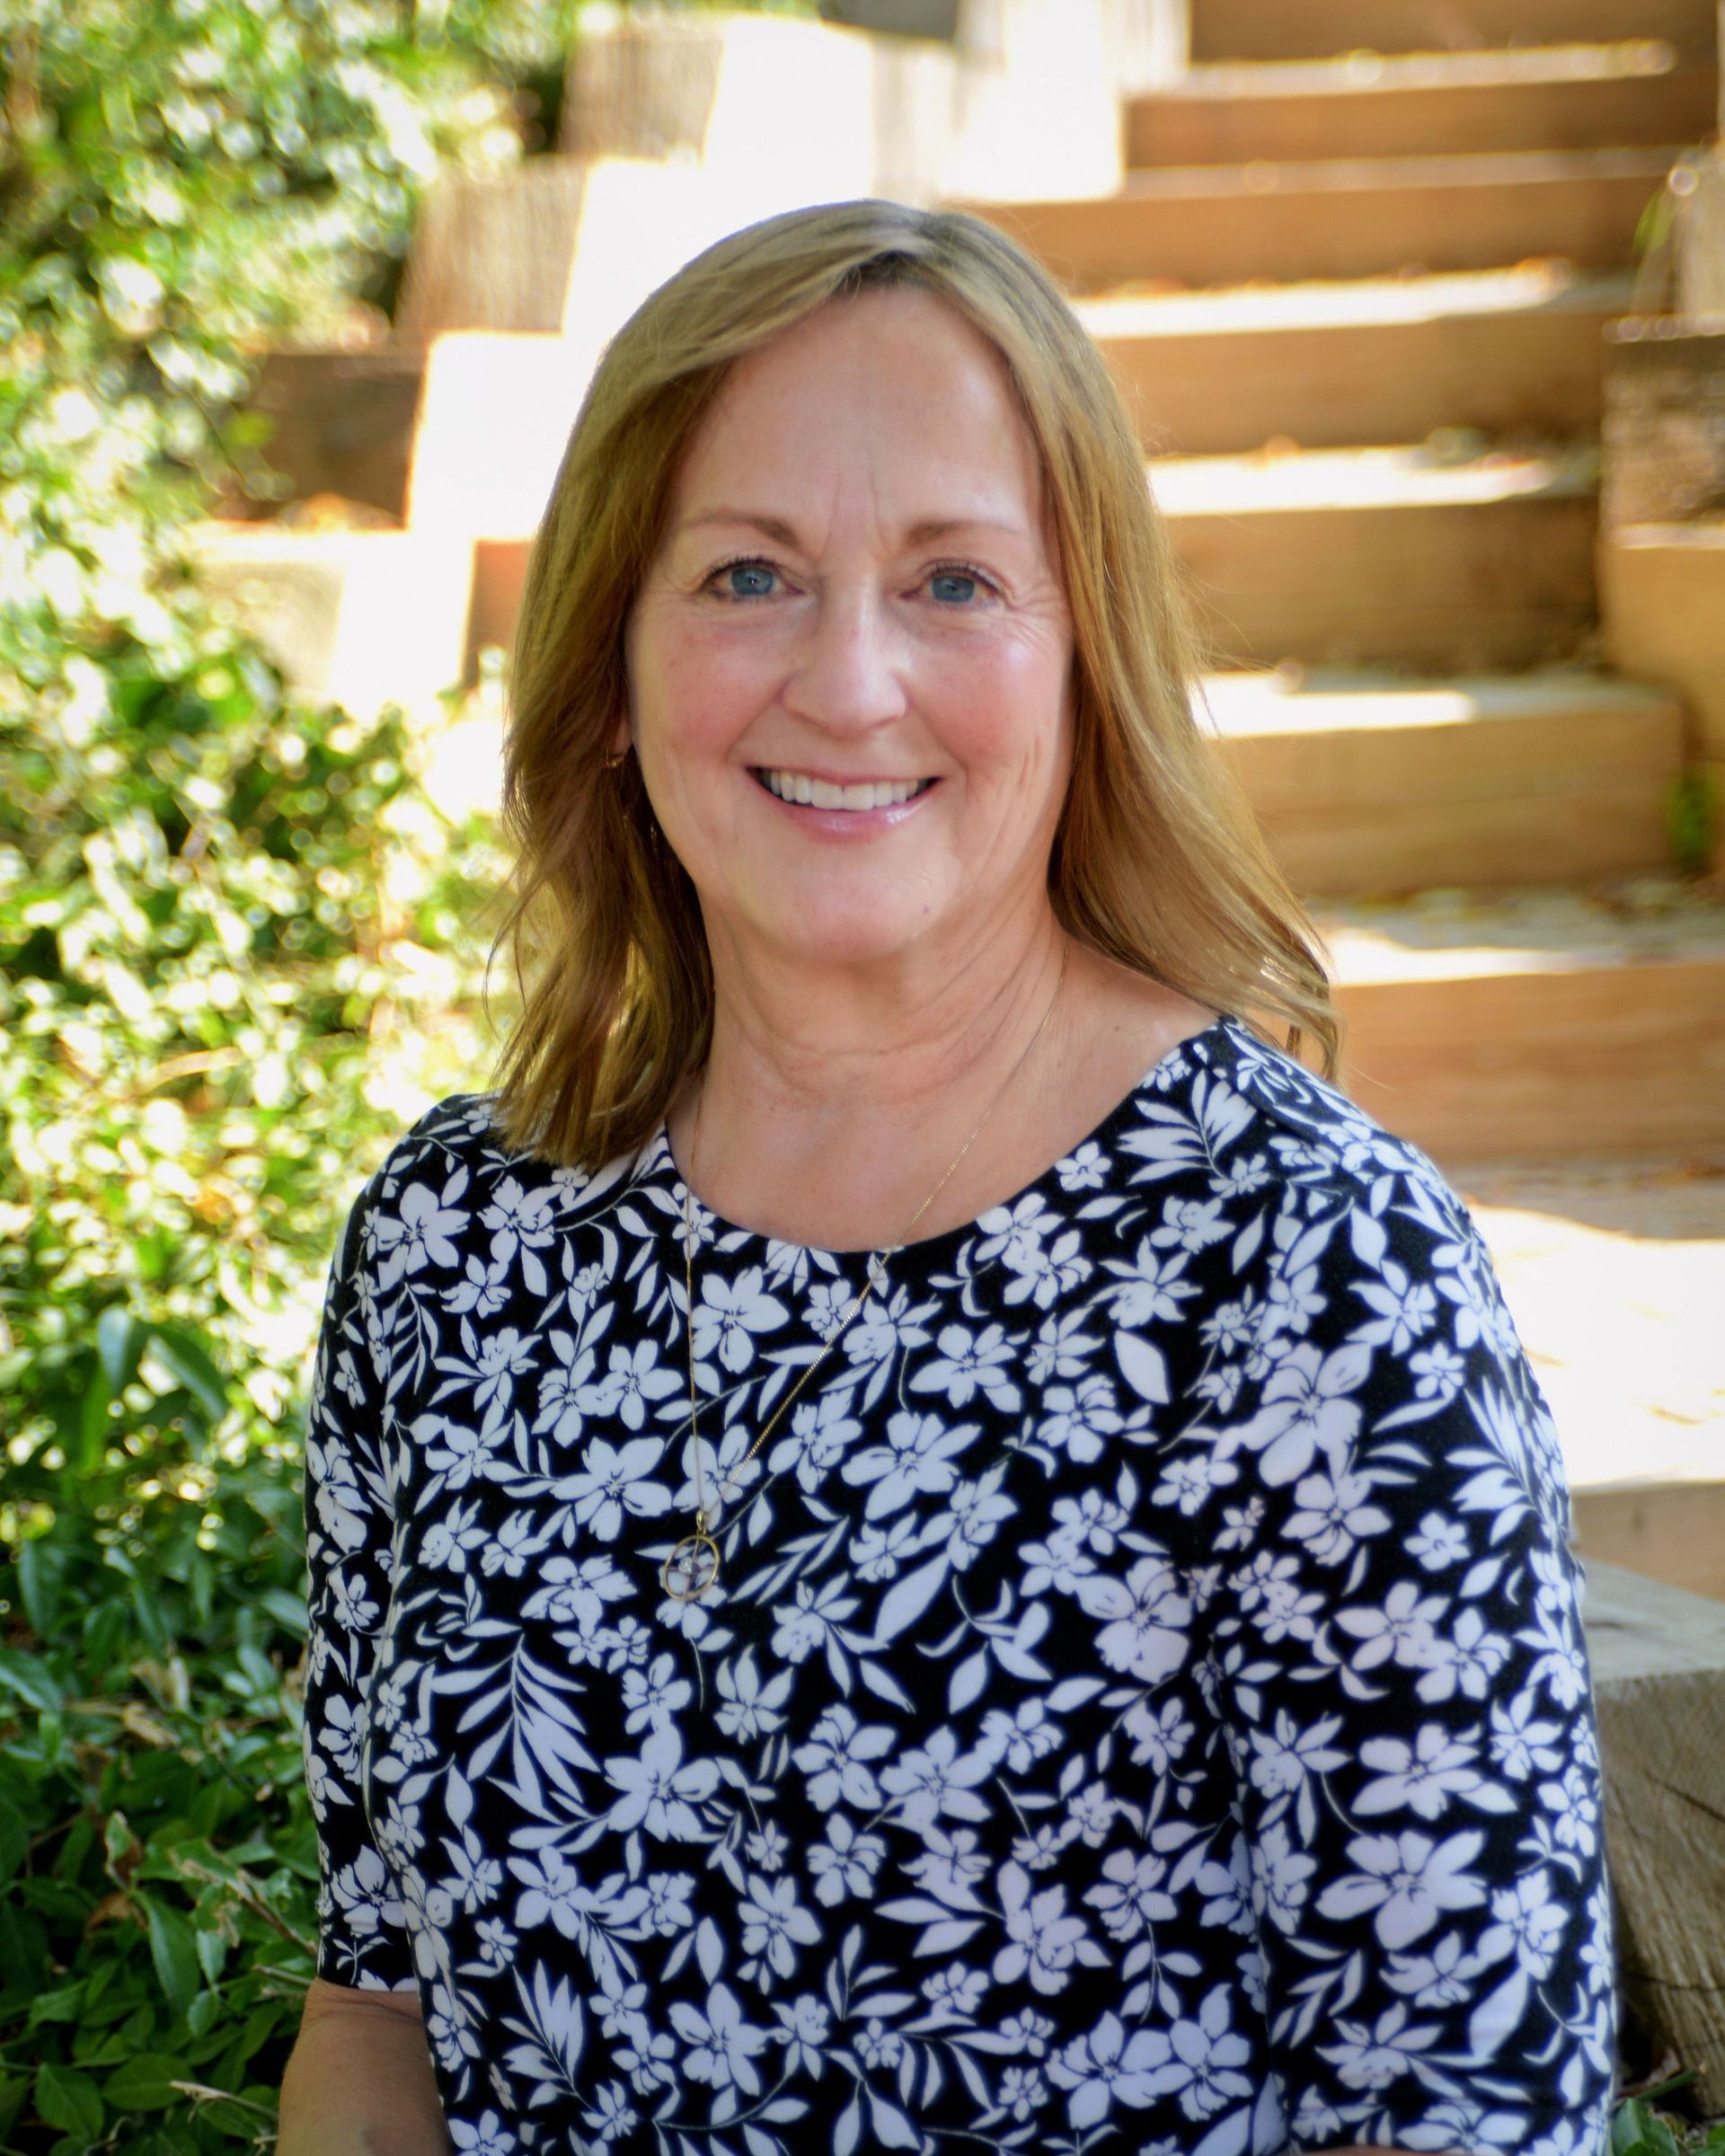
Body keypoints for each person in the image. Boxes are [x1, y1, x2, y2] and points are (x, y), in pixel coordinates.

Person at [281, 200, 1615, 2156]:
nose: (849, 680)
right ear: (610, 664)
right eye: (745, 573)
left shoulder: (1307, 1274)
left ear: (1086, 663)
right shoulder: (452, 1252)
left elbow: (1456, 2108)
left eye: (955, 583)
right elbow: (374, 2016)